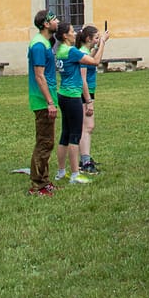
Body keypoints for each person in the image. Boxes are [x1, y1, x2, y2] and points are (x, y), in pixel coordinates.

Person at [54, 21, 108, 184]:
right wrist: (103, 43)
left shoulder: (60, 51)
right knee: (74, 135)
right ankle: (75, 174)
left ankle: (61, 171)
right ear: (65, 36)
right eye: (72, 31)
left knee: (65, 134)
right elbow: (95, 61)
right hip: (73, 96)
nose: (75, 33)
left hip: (62, 94)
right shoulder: (72, 51)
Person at [27, 8, 60, 197]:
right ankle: (37, 185)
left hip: (47, 99)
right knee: (44, 142)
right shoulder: (39, 45)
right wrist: (49, 101)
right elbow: (39, 76)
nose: (58, 21)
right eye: (54, 19)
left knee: (47, 142)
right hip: (42, 101)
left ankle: (44, 181)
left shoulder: (45, 43)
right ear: (46, 24)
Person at [76, 24, 107, 174]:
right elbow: (82, 79)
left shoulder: (85, 51)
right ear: (88, 39)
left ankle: (85, 158)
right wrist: (88, 101)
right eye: (95, 38)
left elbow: (94, 57)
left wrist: (100, 45)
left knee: (88, 127)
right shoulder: (82, 52)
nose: (97, 40)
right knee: (86, 128)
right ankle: (85, 162)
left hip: (88, 93)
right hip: (85, 94)